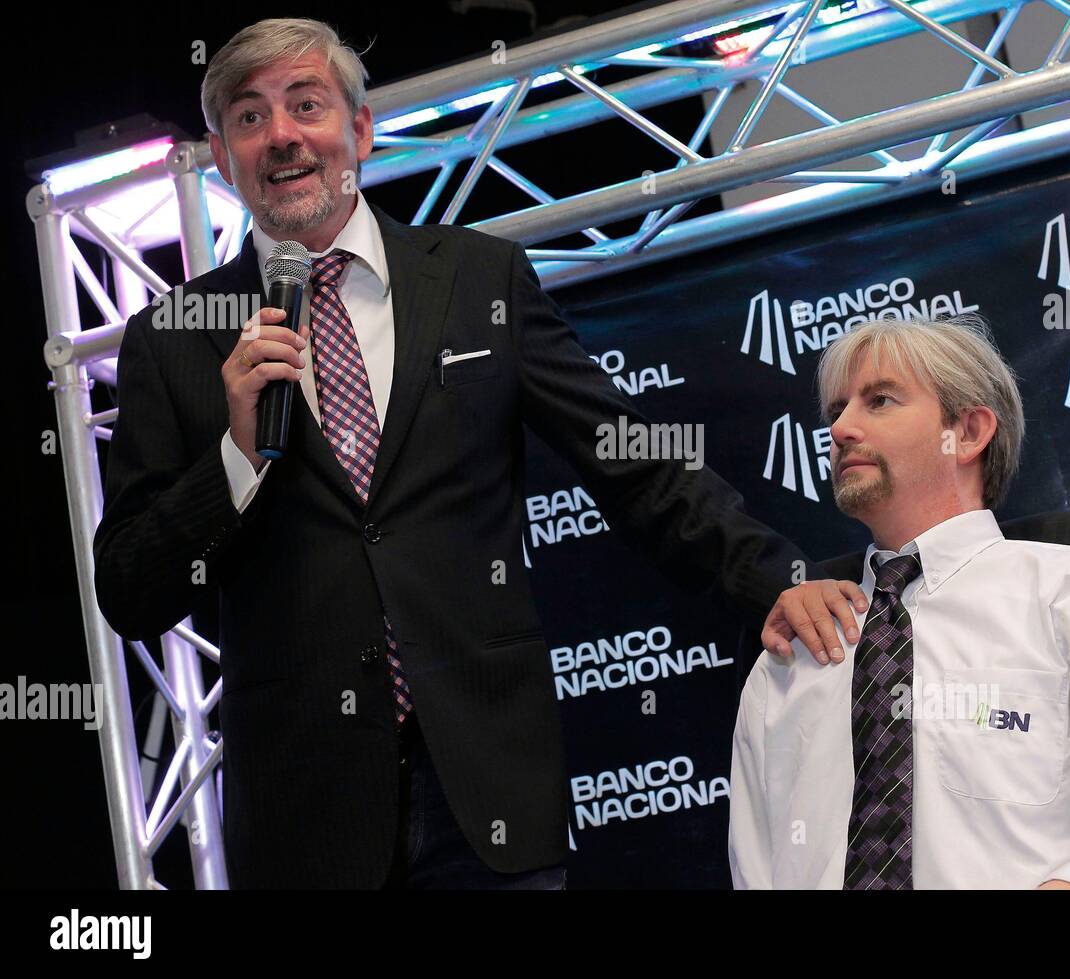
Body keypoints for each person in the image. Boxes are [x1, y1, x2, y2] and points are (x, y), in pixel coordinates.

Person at [92, 17, 864, 889]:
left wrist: (771, 578)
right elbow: (129, 586)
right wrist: (235, 455)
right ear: (223, 158)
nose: (281, 135)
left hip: (488, 789)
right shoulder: (172, 340)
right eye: (248, 116)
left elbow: (631, 459)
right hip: (304, 823)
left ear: (360, 130)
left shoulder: (475, 281)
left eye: (305, 104)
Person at [728, 314, 1070, 889]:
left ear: (971, 431)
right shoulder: (793, 655)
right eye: (836, 412)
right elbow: (758, 869)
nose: (841, 428)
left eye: (878, 401)